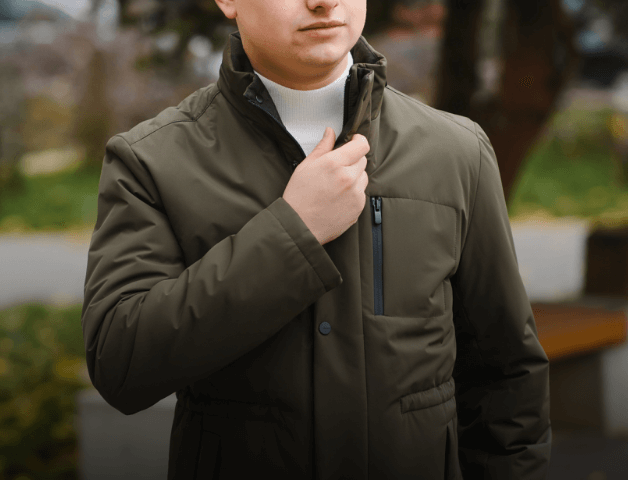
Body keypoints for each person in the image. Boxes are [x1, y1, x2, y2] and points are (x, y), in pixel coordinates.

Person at [80, 0, 552, 478]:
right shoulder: (152, 161)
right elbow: (121, 364)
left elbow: (507, 381)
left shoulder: (456, 152)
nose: (323, 1)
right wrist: (293, 232)